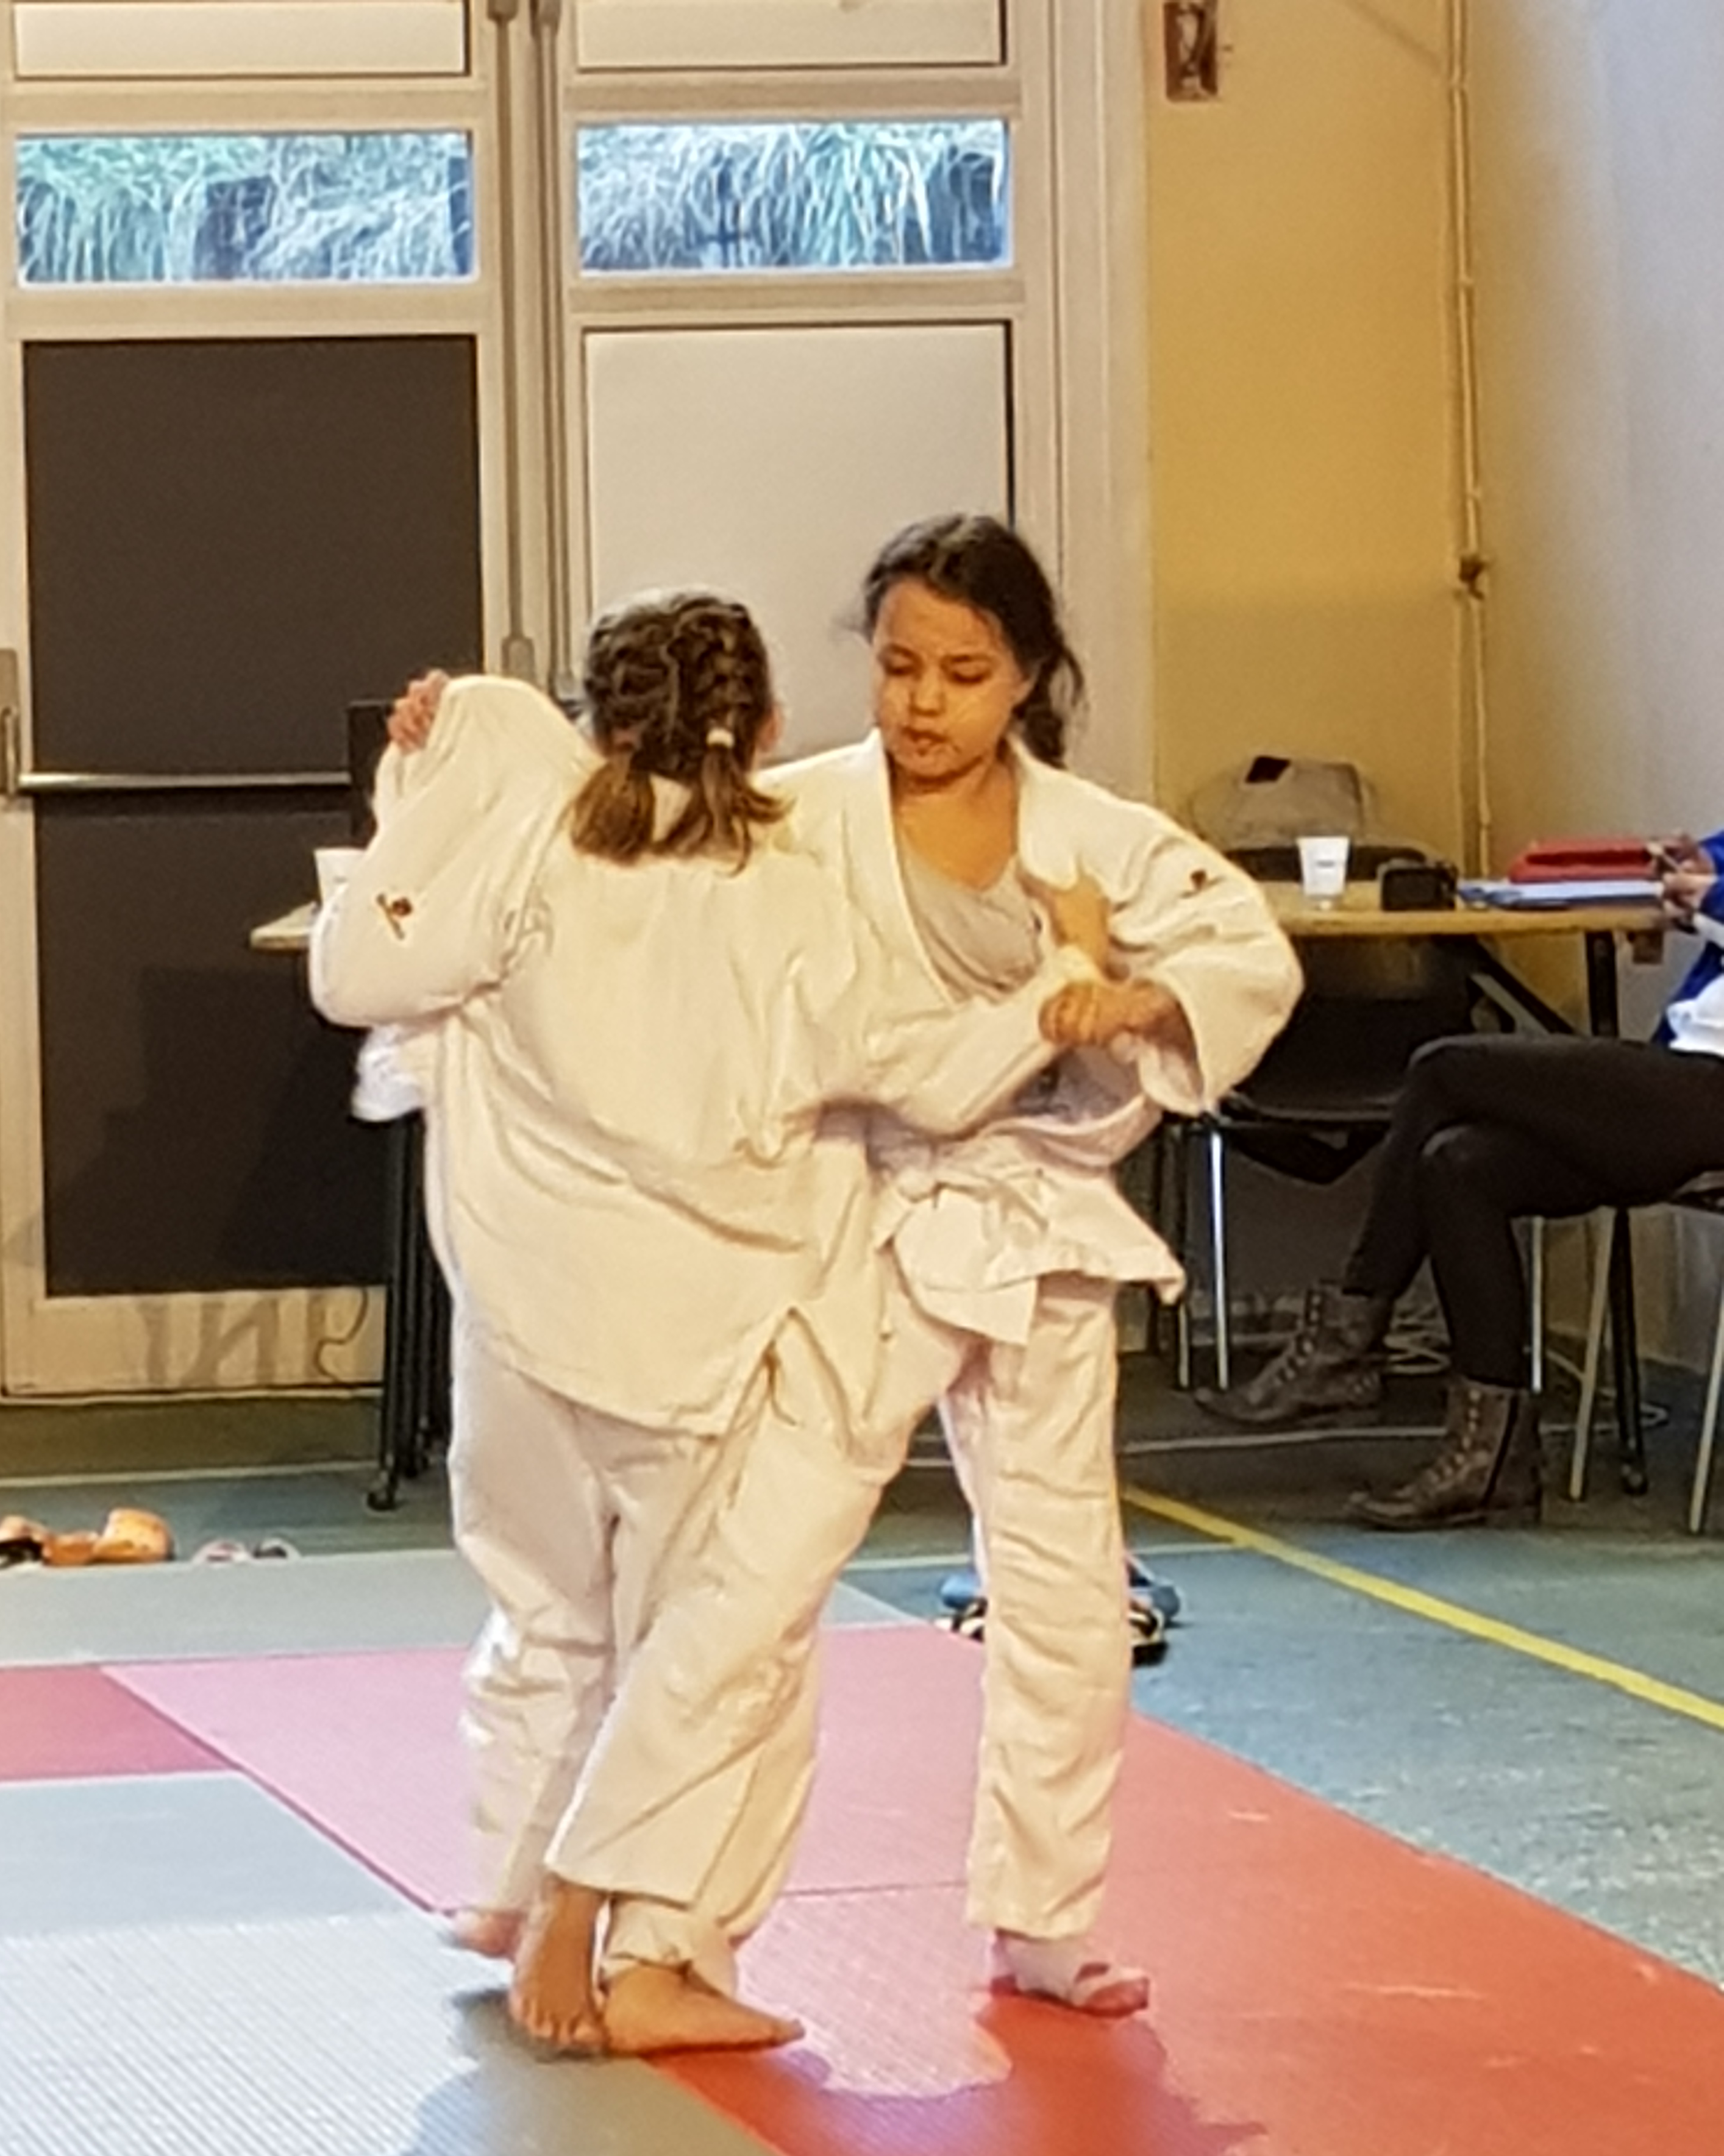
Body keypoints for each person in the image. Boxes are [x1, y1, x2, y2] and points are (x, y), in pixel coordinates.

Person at [314, 590, 1127, 2054]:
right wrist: (1065, 980)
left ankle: (508, 1878)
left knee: (547, 1611)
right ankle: (661, 1950)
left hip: (518, 1313)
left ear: (597, 721)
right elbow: (938, 1077)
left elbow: (356, 970)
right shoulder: (797, 898)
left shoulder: (525, 848)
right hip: (698, 1337)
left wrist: (425, 783)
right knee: (721, 1650)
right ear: (766, 731)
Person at [771, 516, 1301, 2015]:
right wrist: (449, 760)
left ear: (1028, 676)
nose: (922, 703)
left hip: (1043, 1221)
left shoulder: (1094, 838)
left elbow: (1249, 956)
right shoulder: (796, 819)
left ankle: (1045, 1919)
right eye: (898, 668)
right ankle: (679, 1916)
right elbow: (621, 866)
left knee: (1066, 1590)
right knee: (766, 1568)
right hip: (861, 1216)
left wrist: (1140, 1002)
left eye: (962, 672)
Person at [1199, 834, 1724, 1528]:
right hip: (1686, 1074)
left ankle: (1350, 1333)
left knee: (1443, 1068)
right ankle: (1493, 1460)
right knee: (1458, 1163)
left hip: (1710, 1095)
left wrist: (1714, 899)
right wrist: (1706, 864)